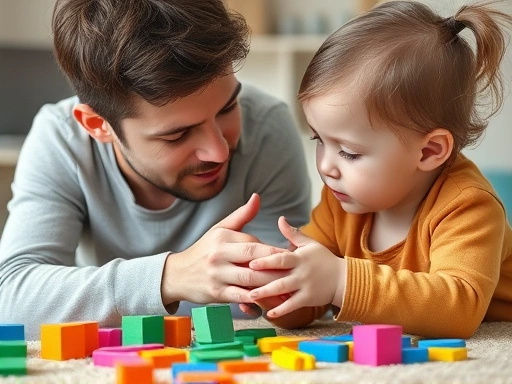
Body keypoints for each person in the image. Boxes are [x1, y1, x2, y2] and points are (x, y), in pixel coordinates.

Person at [0, 0, 312, 340]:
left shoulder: (266, 125)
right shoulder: (61, 139)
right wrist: (171, 276)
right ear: (98, 126)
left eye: (228, 108)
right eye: (177, 134)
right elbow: (11, 300)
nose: (219, 150)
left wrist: (293, 290)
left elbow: (294, 306)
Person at [242, 0, 512, 338]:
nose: (326, 166)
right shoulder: (339, 202)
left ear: (429, 151)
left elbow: (458, 311)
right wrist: (283, 288)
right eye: (318, 139)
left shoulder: (468, 206)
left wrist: (340, 279)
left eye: (350, 153)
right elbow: (312, 303)